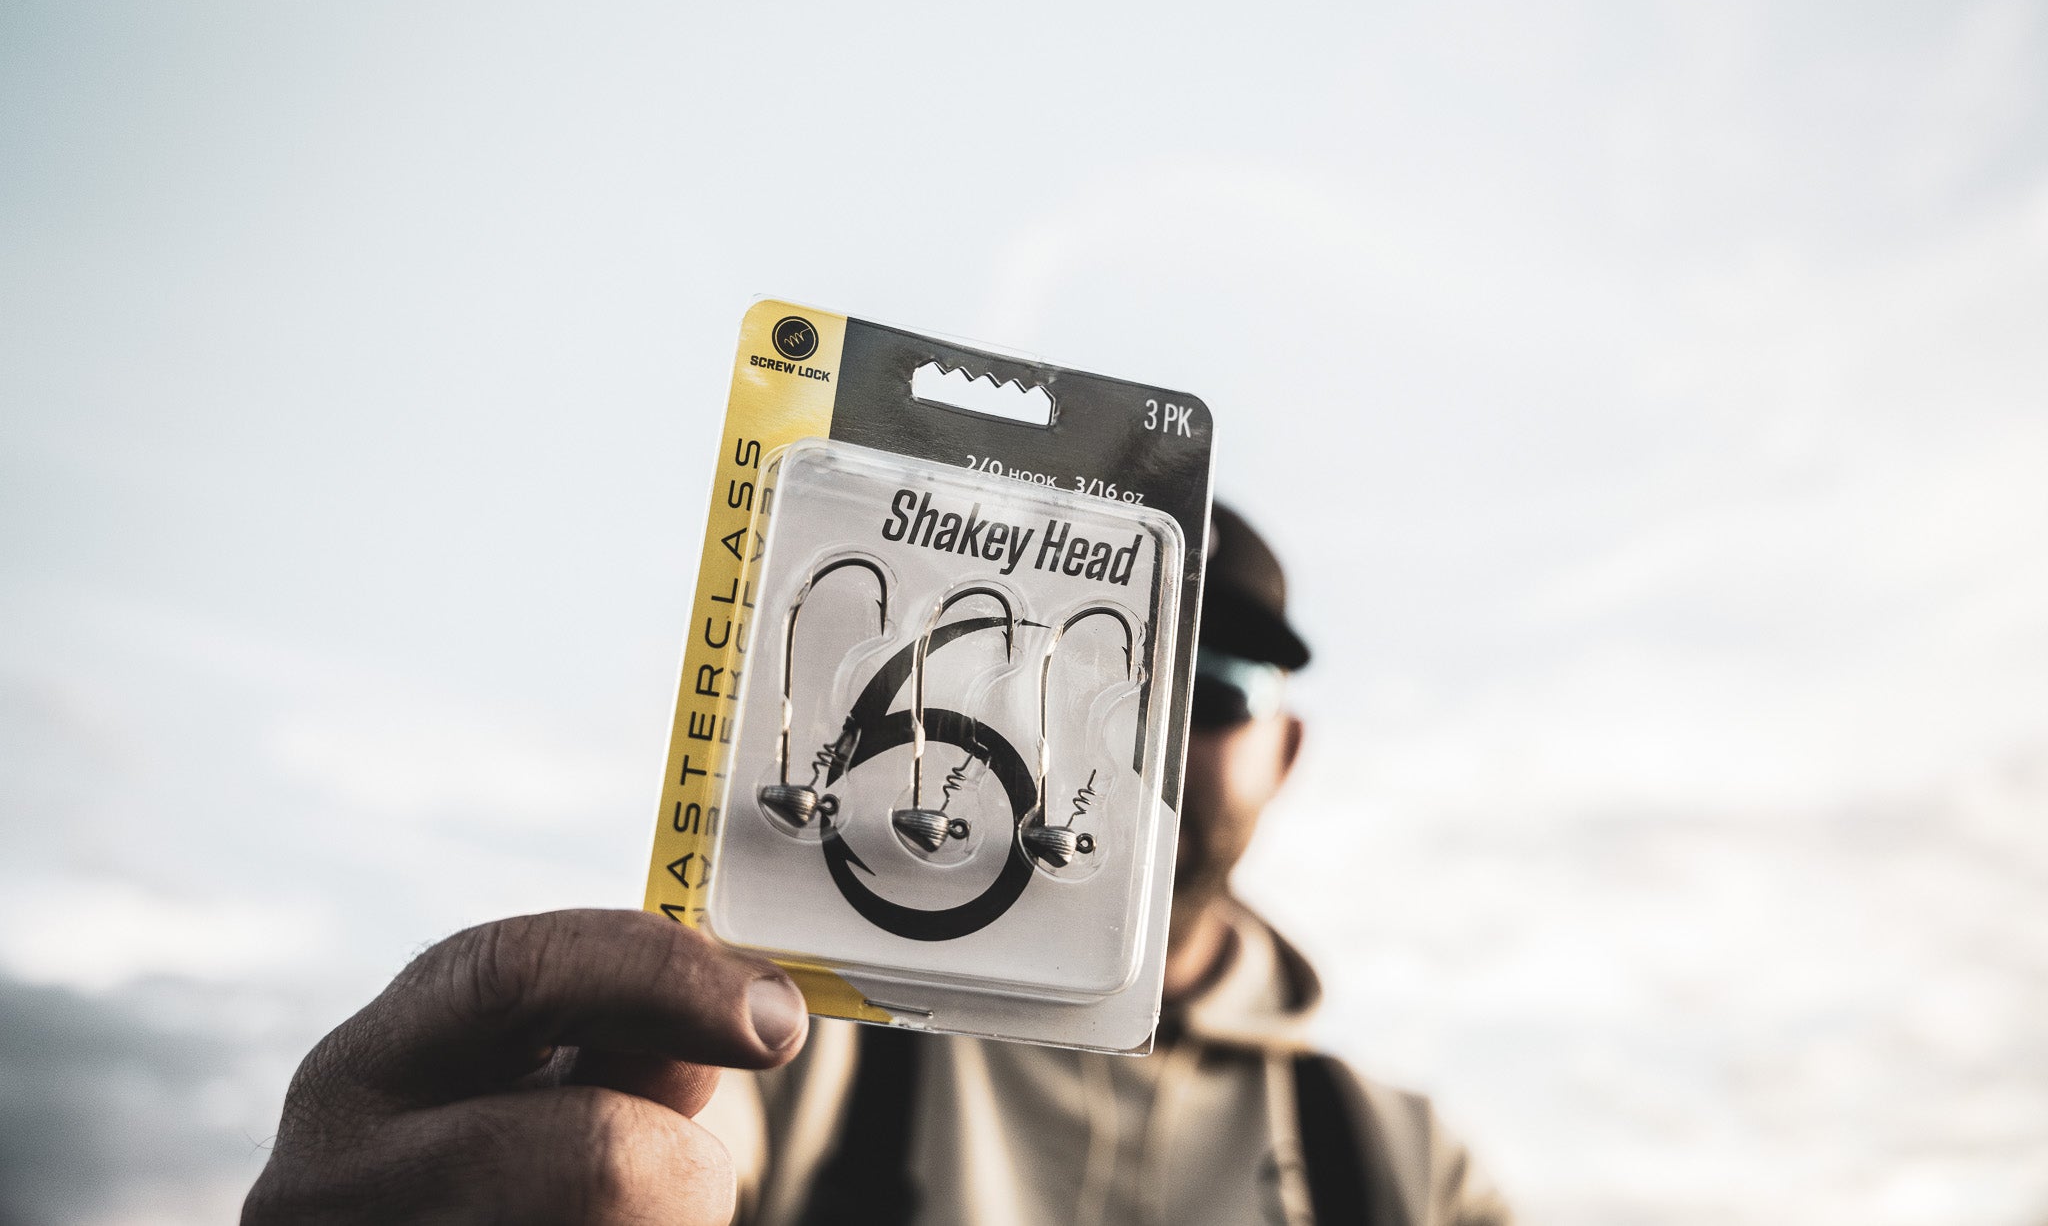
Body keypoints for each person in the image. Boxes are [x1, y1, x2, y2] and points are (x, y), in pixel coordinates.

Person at [243, 506, 1510, 1226]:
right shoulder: (798, 1043)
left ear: (1286, 752)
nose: (1148, 728)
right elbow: (673, 1147)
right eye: (1103, 667)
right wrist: (559, 1144)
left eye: (1216, 688)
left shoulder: (1409, 1169)